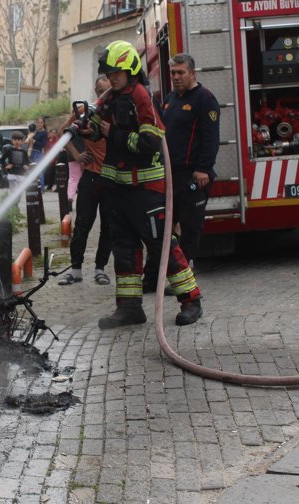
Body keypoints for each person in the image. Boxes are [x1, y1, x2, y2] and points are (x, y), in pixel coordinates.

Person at [89, 40, 202, 329]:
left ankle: (191, 301)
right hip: (120, 191)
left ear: (129, 70)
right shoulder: (111, 98)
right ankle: (129, 308)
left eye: (116, 73)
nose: (111, 78)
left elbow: (149, 143)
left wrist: (111, 132)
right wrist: (88, 129)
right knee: (124, 249)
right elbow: (97, 126)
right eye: (108, 73)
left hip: (146, 192)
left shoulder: (141, 96)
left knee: (162, 246)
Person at [142, 53, 219, 325]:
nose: (175, 77)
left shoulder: (204, 99)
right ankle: (153, 278)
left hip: (192, 176)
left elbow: (211, 138)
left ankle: (187, 284)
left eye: (180, 73)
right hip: (169, 175)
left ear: (192, 73)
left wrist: (203, 169)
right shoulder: (171, 99)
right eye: (173, 72)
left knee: (190, 229)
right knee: (162, 229)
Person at [58, 76, 113, 287]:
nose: (103, 95)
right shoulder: (86, 111)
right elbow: (65, 132)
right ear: (95, 90)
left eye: (106, 91)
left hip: (111, 178)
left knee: (108, 227)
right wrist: (77, 154)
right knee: (82, 223)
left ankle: (100, 268)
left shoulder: (117, 110)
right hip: (90, 176)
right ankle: (76, 269)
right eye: (100, 91)